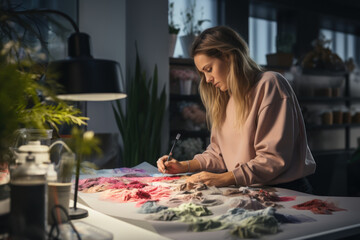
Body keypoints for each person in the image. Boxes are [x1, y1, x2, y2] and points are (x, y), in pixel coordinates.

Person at [157, 26, 316, 193]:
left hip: (286, 192)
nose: (208, 79)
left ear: (229, 57)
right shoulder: (225, 98)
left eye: (209, 69)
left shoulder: (269, 84)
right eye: (203, 73)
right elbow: (218, 153)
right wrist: (183, 166)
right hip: (251, 192)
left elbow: (272, 160)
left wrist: (223, 179)